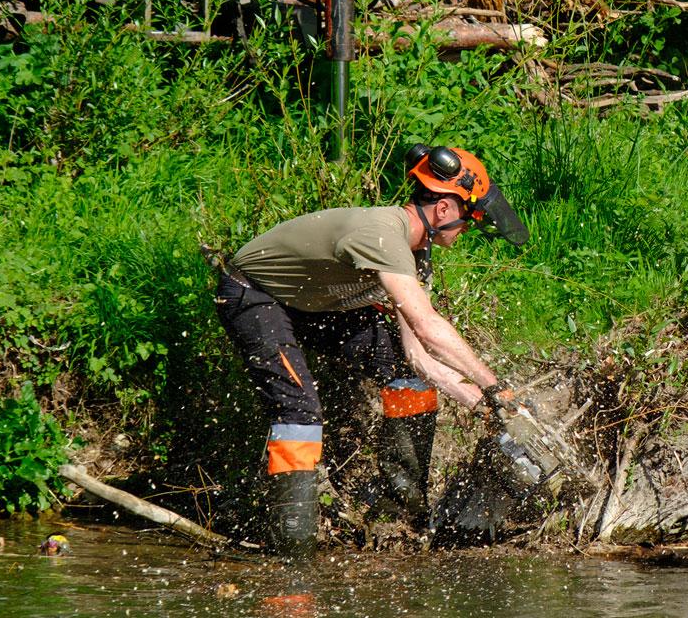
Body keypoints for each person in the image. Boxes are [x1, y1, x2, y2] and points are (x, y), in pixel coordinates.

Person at [213, 144, 530, 557]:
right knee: (299, 409)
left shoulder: (415, 254)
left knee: (403, 371)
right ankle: (292, 546)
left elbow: (419, 354)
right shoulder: (383, 235)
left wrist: (482, 405)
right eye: (468, 219)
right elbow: (429, 327)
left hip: (311, 302)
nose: (467, 229)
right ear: (444, 210)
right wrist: (495, 385)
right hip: (254, 297)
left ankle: (400, 511)